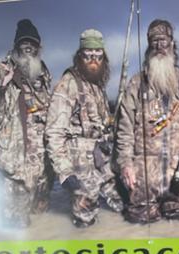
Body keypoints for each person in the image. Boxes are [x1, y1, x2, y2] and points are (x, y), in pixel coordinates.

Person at [115, 19, 179, 223]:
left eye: (163, 41)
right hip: (143, 181)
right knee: (138, 224)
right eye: (154, 41)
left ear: (172, 43)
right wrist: (126, 164)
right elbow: (124, 130)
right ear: (148, 46)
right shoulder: (136, 84)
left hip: (178, 179)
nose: (159, 46)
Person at [45, 29, 123, 228]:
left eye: (98, 55)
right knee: (86, 218)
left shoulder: (97, 86)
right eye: (88, 55)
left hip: (102, 159)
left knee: (125, 204)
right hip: (80, 166)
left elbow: (102, 124)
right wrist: (65, 173)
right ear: (79, 56)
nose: (93, 60)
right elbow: (53, 133)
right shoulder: (67, 85)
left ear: (104, 57)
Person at [0, 19, 53, 228]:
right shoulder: (4, 74)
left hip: (43, 172)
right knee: (16, 230)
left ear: (39, 48)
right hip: (16, 172)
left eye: (33, 44)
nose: (28, 48)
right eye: (23, 43)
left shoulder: (44, 77)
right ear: (16, 47)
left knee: (44, 228)